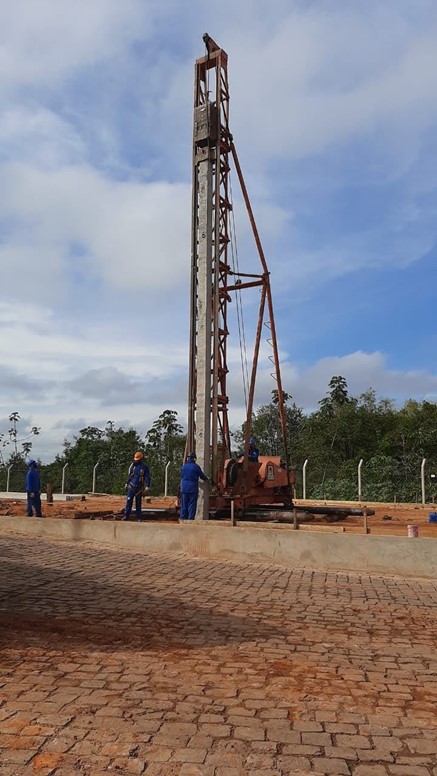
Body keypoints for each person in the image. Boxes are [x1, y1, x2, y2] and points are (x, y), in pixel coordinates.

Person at [123, 451, 150, 522]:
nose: (136, 461)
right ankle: (126, 516)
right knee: (129, 501)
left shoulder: (144, 467)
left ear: (141, 459)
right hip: (131, 486)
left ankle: (138, 517)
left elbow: (147, 477)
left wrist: (147, 486)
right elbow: (130, 475)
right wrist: (127, 483)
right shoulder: (133, 466)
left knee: (138, 503)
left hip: (139, 488)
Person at [180, 452, 208, 521]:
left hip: (184, 488)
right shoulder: (196, 467)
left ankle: (183, 518)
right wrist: (206, 479)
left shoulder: (184, 467)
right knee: (192, 505)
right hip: (192, 489)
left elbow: (182, 476)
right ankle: (190, 519)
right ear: (194, 459)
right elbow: (202, 476)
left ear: (187, 458)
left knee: (184, 504)